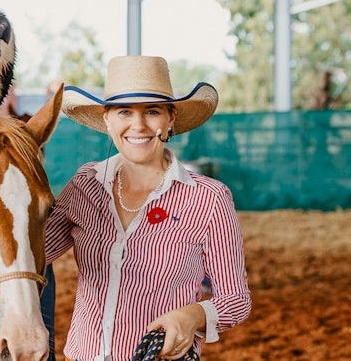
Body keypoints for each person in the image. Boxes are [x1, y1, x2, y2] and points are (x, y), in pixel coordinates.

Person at [45, 55, 251, 361]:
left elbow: (236, 300)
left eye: (152, 111)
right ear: (107, 119)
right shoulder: (85, 185)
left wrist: (193, 315)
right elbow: (31, 253)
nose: (138, 125)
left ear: (170, 118)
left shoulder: (210, 198)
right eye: (124, 111)